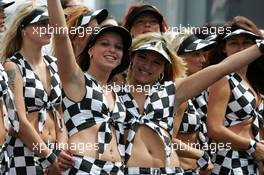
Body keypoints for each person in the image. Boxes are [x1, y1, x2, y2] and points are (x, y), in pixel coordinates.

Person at [116, 31, 264, 175]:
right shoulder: (113, 94)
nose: (147, 66)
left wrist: (261, 46)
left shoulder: (172, 91)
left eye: (157, 62)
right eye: (142, 57)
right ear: (131, 58)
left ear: (164, 68)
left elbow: (222, 68)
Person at [47, 0, 132, 174]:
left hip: (116, 169)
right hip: (82, 167)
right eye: (104, 44)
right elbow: (61, 36)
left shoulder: (117, 92)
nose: (112, 50)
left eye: (118, 47)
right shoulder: (77, 79)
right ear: (90, 50)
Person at [0, 2, 68, 174]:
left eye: (49, 23)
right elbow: (19, 122)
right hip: (24, 154)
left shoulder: (54, 63)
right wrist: (51, 158)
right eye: (41, 24)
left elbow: (60, 114)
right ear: (23, 29)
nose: (48, 28)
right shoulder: (12, 67)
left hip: (54, 153)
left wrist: (59, 151)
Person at [206, 21, 264, 174]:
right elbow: (214, 128)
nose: (241, 48)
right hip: (228, 161)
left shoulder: (253, 81)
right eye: (234, 43)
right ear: (223, 49)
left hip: (252, 162)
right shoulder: (223, 78)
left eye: (247, 43)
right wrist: (252, 146)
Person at [165, 31, 216, 174]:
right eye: (195, 54)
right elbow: (165, 139)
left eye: (202, 54)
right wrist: (200, 155)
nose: (203, 60)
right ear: (176, 57)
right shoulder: (176, 92)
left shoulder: (188, 90)